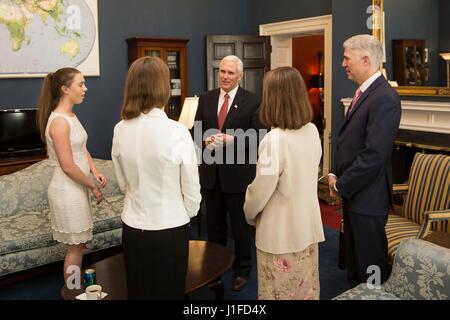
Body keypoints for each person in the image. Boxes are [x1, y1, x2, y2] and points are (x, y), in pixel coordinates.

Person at [111, 56, 201, 299]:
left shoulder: (120, 129)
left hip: (132, 226)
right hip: (169, 227)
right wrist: (186, 213)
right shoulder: (177, 132)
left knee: (139, 291)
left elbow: (122, 183)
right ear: (164, 87)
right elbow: (192, 190)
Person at [244, 67, 325, 300]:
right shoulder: (311, 131)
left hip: (279, 235)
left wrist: (249, 214)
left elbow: (260, 192)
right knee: (305, 291)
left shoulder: (274, 140)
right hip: (307, 228)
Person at [328, 34, 401, 285]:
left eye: (347, 58)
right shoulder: (364, 93)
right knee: (357, 261)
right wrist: (334, 172)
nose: (343, 64)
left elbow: (374, 155)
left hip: (368, 199)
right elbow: (348, 141)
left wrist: (341, 185)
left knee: (371, 266)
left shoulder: (384, 97)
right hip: (356, 194)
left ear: (366, 60)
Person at [194, 55, 265, 291]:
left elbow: (260, 137)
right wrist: (205, 140)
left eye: (230, 73)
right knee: (214, 228)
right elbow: (196, 132)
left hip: (238, 178)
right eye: (222, 72)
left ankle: (242, 271)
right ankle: (215, 271)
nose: (224, 76)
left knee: (240, 228)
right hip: (211, 176)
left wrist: (232, 140)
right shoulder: (205, 99)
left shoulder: (253, 101)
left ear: (240, 76)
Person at [37, 68, 106, 285]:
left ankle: (74, 288)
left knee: (79, 247)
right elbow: (67, 166)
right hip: (67, 192)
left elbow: (81, 149)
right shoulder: (58, 122)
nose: (85, 89)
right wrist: (93, 186)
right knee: (75, 250)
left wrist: (94, 171)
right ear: (65, 89)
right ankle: (73, 291)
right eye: (80, 84)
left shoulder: (71, 116)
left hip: (77, 188)